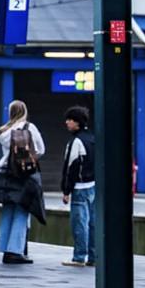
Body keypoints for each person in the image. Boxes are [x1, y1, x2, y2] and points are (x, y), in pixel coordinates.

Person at [0, 100, 45, 265]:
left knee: (8, 210)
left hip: (5, 175)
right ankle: (15, 251)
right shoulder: (30, 128)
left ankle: (5, 248)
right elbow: (41, 150)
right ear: (24, 111)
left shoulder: (4, 131)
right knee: (22, 211)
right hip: (23, 175)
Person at [60, 106, 96, 267]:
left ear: (78, 123)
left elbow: (71, 168)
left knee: (79, 224)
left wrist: (66, 190)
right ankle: (94, 257)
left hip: (80, 189)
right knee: (93, 223)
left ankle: (79, 257)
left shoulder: (77, 142)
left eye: (70, 120)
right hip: (94, 187)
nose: (67, 122)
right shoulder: (93, 138)